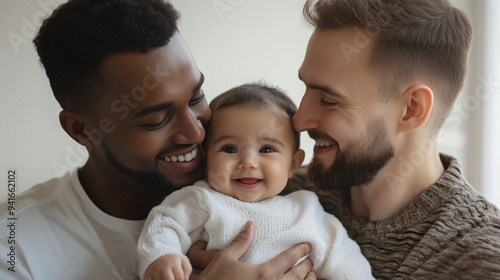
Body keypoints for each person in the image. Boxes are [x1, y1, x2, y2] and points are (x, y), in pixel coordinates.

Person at [0, 0, 314, 279]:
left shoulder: (266, 188)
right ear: (82, 130)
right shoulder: (15, 247)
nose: (196, 132)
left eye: (196, 97)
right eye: (156, 120)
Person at [279, 0, 500, 279]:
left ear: (411, 109)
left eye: (328, 100)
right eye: (306, 88)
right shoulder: (271, 194)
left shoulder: (482, 262)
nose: (299, 120)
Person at [137, 84, 374, 280]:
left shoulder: (307, 209)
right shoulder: (202, 200)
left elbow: (344, 259)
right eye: (229, 148)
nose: (248, 162)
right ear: (207, 159)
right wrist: (161, 257)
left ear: (293, 164)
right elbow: (164, 223)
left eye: (267, 149)